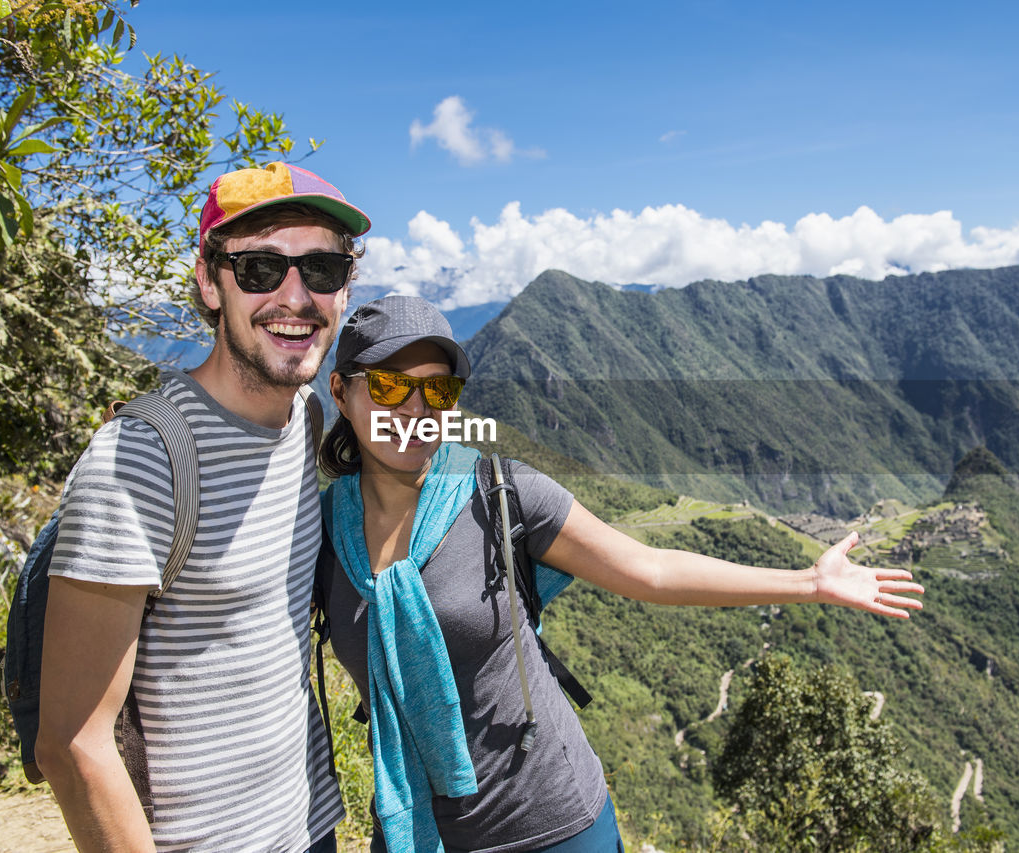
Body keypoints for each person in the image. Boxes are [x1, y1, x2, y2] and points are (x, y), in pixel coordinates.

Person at [316, 295, 926, 853]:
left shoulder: (500, 493)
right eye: (393, 386)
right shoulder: (317, 533)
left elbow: (651, 570)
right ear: (341, 393)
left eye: (439, 391)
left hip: (550, 824)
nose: (417, 410)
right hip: (414, 831)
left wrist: (808, 583)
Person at [36, 161, 370, 853]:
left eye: (322, 270)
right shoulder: (139, 460)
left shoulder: (304, 418)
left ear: (345, 288)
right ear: (208, 280)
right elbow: (72, 746)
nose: (295, 296)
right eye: (258, 269)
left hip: (309, 825)